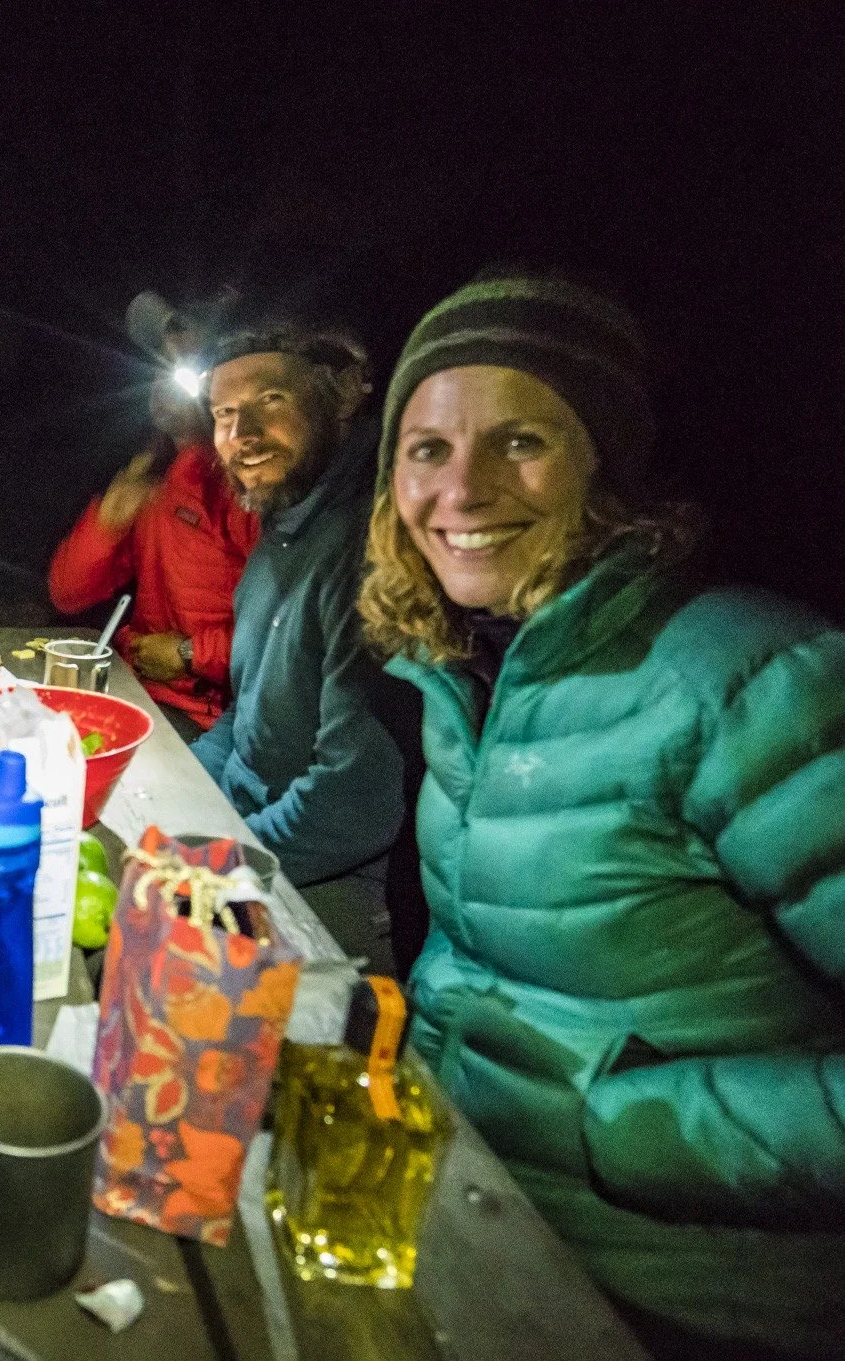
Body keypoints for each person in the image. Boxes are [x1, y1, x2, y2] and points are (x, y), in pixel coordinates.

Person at [359, 274, 844, 1361]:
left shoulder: (748, 680)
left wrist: (631, 1128)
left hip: (685, 1306)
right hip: (485, 1225)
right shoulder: (466, 675)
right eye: (427, 448)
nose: (463, 487)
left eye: (519, 438)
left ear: (606, 469)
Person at [188, 317, 408, 976]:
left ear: (338, 396)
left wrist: (214, 863)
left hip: (334, 882)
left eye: (269, 403)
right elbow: (243, 709)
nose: (243, 435)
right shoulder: (285, 528)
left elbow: (354, 802)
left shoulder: (371, 546)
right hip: (257, 831)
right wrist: (177, 795)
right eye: (226, 415)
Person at [49, 294, 260, 739]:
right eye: (160, 366)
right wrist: (107, 522)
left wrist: (189, 653)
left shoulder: (243, 482)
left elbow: (279, 637)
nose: (165, 382)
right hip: (137, 689)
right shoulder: (153, 471)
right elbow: (66, 593)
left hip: (211, 722)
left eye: (185, 369)